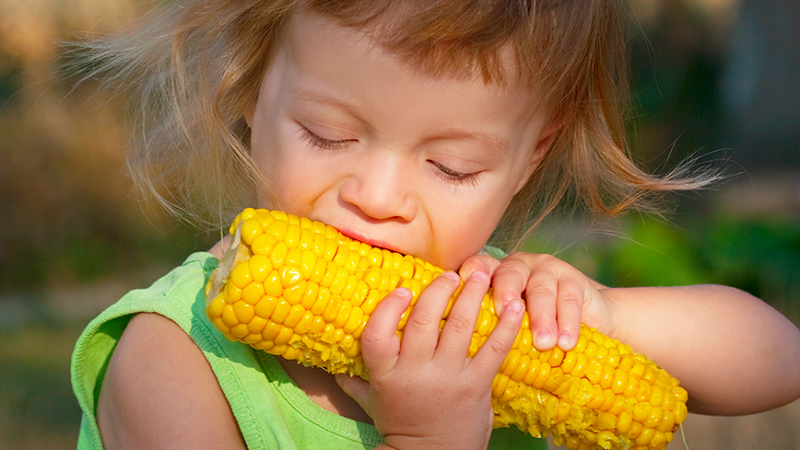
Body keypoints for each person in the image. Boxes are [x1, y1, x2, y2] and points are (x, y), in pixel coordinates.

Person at [69, 1, 800, 449]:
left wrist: (609, 315)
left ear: (527, 157)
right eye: (327, 134)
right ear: (252, 91)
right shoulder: (172, 360)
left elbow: (779, 361)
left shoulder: (478, 297)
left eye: (450, 166)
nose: (381, 197)